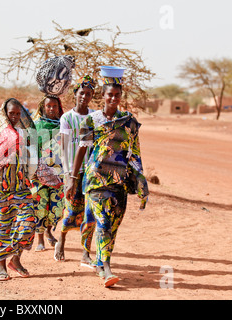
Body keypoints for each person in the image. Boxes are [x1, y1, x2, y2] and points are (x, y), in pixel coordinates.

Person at [66, 66, 149, 287]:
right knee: (102, 222)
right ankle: (108, 268)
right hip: (96, 179)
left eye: (117, 95)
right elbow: (82, 150)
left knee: (113, 225)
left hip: (120, 180)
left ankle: (101, 263)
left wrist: (141, 179)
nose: (113, 98)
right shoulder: (91, 120)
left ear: (121, 97)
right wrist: (73, 180)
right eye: (109, 94)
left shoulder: (129, 121)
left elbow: (135, 152)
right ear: (102, 96)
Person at [0, 98, 37, 281]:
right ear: (5, 114)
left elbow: (31, 156)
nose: (14, 116)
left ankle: (16, 260)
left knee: (28, 223)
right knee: (2, 227)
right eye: (11, 113)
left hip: (21, 187)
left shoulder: (24, 132)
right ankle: (2, 267)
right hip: (1, 187)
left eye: (17, 113)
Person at [54, 75, 97, 268]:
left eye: (88, 94)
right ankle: (61, 240)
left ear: (92, 96)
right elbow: (63, 147)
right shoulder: (67, 118)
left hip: (91, 172)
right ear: (75, 94)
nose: (84, 97)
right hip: (72, 171)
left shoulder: (95, 116)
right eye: (81, 93)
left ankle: (86, 253)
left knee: (90, 212)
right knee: (71, 209)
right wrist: (67, 174)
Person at [30, 95, 65, 252]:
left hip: (59, 175)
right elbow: (30, 149)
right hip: (38, 174)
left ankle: (49, 230)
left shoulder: (64, 125)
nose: (51, 109)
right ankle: (40, 239)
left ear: (59, 108)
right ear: (42, 108)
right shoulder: (36, 126)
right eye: (48, 106)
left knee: (56, 207)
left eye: (54, 106)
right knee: (40, 206)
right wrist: (35, 170)